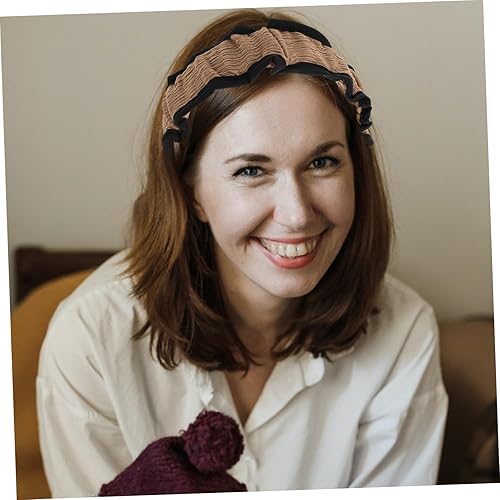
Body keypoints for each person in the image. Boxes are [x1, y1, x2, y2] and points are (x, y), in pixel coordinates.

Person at [36, 8, 448, 497]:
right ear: (190, 192)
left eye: (322, 162)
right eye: (251, 171)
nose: (296, 214)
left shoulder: (404, 331)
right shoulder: (90, 338)